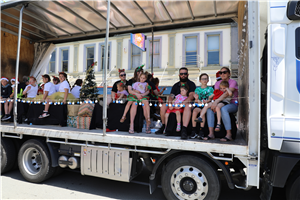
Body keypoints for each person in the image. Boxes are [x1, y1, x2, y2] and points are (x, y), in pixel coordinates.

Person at [155, 67, 196, 139]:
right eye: (181, 74)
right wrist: (170, 103)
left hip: (187, 103)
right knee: (164, 106)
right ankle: (164, 126)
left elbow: (191, 96)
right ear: (179, 75)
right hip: (176, 104)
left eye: (185, 74)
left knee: (187, 106)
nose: (183, 75)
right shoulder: (175, 85)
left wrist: (182, 103)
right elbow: (171, 96)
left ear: (188, 74)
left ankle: (184, 129)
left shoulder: (191, 84)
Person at [204, 67, 238, 142]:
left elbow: (227, 94)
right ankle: (211, 133)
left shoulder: (233, 82)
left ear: (229, 74)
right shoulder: (217, 83)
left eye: (224, 72)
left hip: (232, 104)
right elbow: (216, 94)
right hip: (219, 103)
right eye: (221, 72)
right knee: (210, 109)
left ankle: (229, 135)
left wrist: (216, 102)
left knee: (224, 109)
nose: (222, 74)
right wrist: (212, 101)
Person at [127, 66, 151, 134]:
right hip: (134, 97)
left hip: (143, 97)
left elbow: (148, 91)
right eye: (140, 72)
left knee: (145, 105)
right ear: (137, 73)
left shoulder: (146, 82)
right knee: (134, 104)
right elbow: (130, 90)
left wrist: (142, 95)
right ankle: (131, 125)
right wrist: (137, 94)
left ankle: (147, 125)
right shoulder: (132, 81)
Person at [190, 73, 214, 139]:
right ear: (200, 80)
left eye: (206, 79)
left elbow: (211, 99)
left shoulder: (211, 89)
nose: (204, 80)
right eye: (203, 79)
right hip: (200, 105)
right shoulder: (197, 90)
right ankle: (194, 130)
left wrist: (206, 101)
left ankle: (201, 130)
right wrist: (197, 99)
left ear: (208, 80)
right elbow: (196, 100)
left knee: (202, 113)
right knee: (194, 111)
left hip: (206, 105)